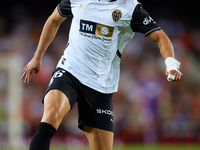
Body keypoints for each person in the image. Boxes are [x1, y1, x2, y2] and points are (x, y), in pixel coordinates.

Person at [21, 0, 182, 149]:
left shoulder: (130, 9)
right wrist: (37, 57)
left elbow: (160, 37)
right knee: (50, 117)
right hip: (69, 71)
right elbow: (53, 20)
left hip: (100, 86)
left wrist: (171, 63)